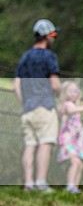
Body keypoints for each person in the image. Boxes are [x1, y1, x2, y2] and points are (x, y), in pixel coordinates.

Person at [13, 19, 62, 192]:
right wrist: (61, 94)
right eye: (53, 34)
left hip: (28, 109)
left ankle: (28, 184)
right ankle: (41, 182)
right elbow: (55, 85)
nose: (54, 37)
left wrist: (25, 103)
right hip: (44, 107)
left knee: (30, 145)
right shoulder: (49, 57)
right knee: (45, 144)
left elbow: (16, 86)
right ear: (46, 36)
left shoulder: (24, 57)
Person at [57, 81, 83, 194]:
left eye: (76, 91)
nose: (75, 93)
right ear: (65, 93)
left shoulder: (74, 105)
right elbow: (71, 111)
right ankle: (70, 186)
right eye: (71, 91)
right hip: (68, 139)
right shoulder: (67, 104)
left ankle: (75, 188)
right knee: (74, 162)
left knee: (80, 164)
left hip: (76, 139)